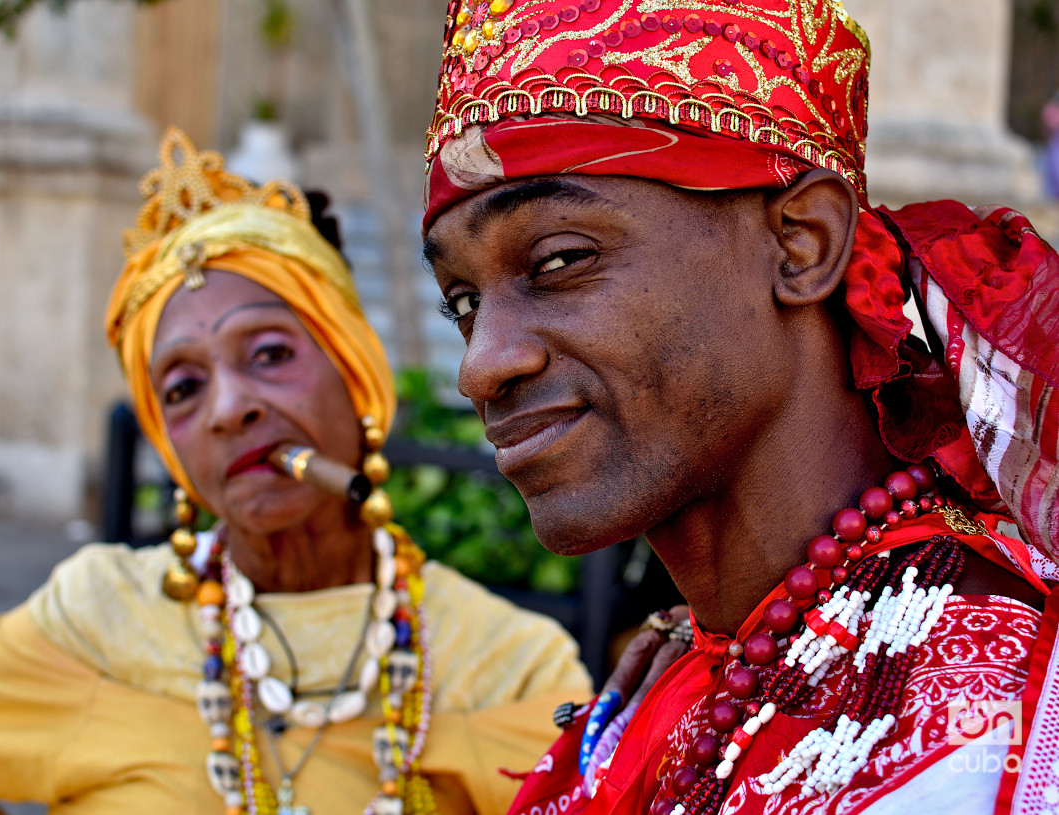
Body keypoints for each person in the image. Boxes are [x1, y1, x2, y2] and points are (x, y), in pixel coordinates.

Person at [419, 1, 1058, 813]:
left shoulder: (986, 705)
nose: (482, 365)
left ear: (803, 243)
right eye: (463, 301)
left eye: (559, 259)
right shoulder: (677, 678)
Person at [0, 128, 591, 814]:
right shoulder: (100, 617)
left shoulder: (505, 666)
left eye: (268, 354)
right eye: (181, 388)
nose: (230, 407)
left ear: (355, 376)